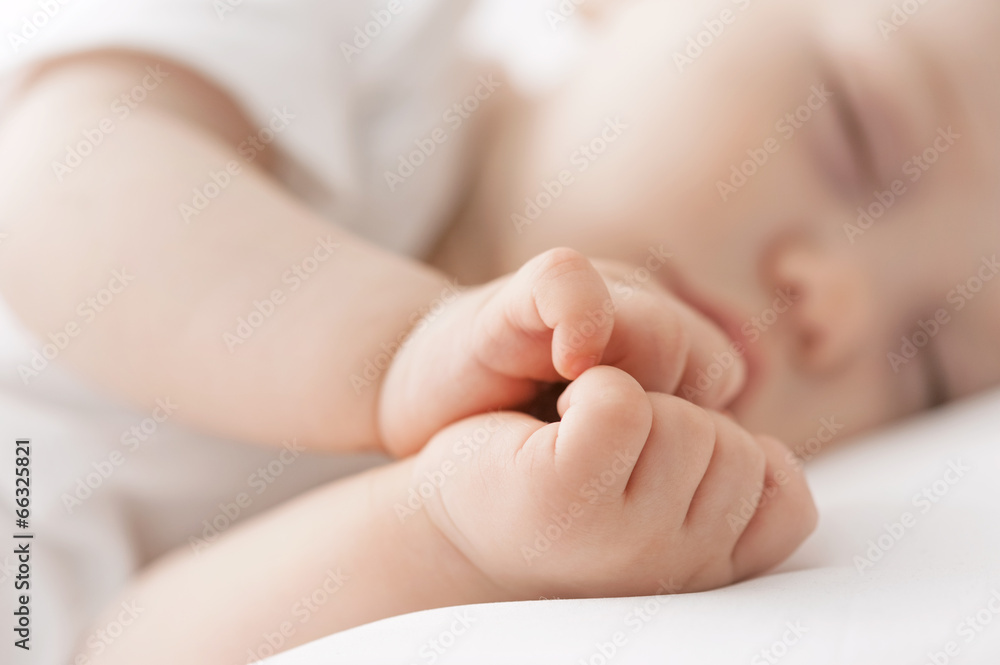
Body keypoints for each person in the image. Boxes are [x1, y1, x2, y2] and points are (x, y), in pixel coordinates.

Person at [0, 0, 995, 663]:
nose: (843, 306)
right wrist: (395, 346)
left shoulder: (566, 477)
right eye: (856, 132)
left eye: (928, 366)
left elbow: (116, 646)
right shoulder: (361, 40)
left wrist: (443, 529)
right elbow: (54, 178)